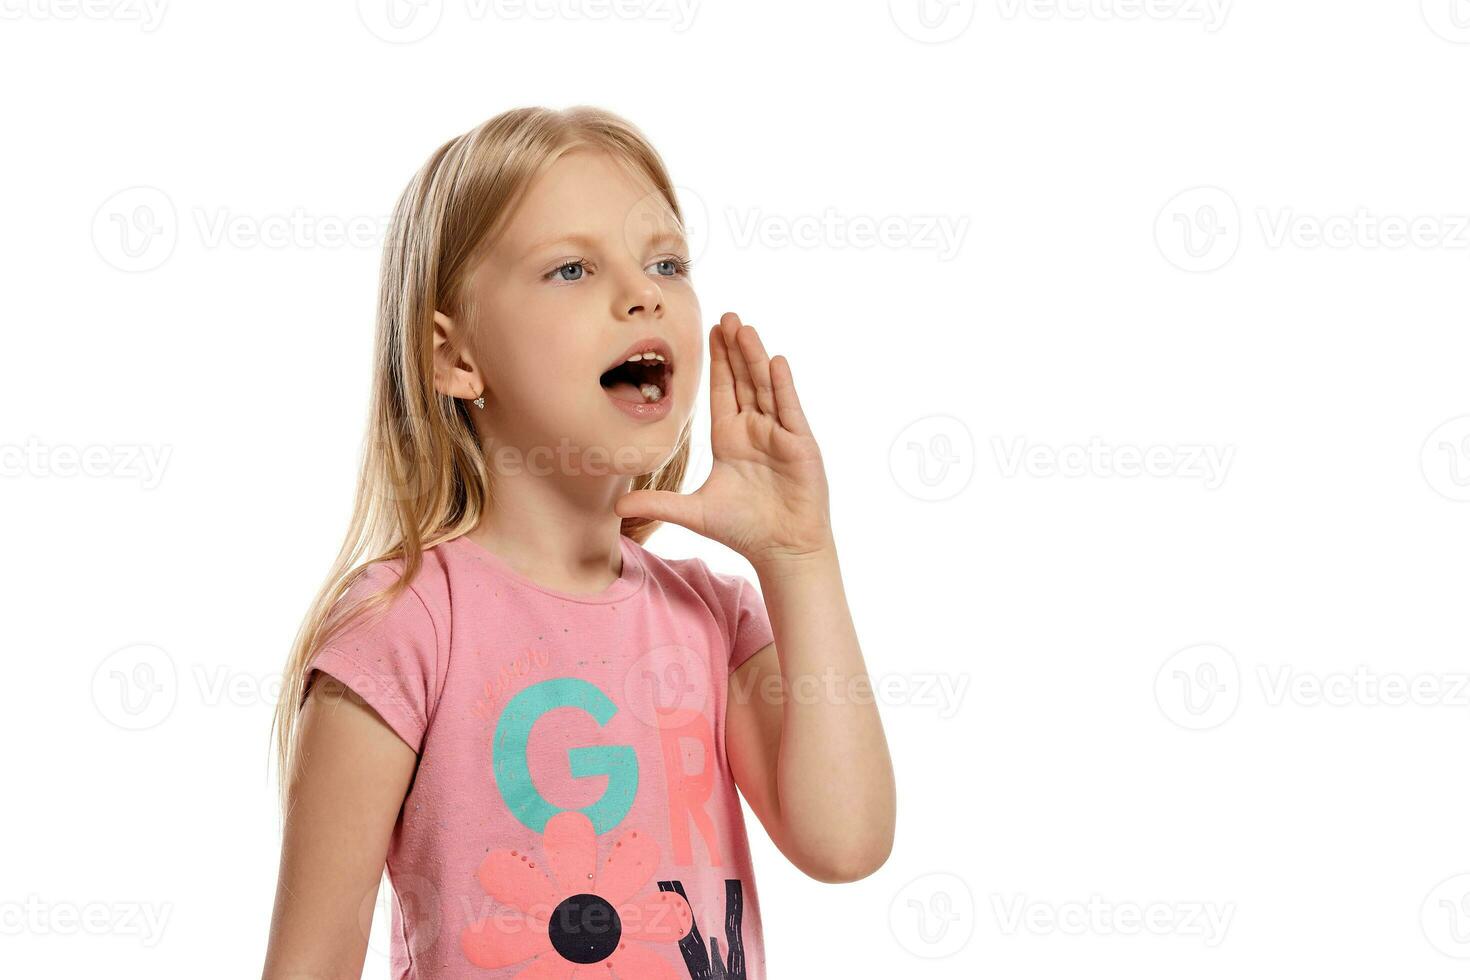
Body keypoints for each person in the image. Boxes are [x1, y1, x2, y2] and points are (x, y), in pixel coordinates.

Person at [262, 105, 895, 980]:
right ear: (454, 358)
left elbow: (847, 841)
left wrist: (800, 558)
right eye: (571, 268)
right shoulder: (405, 624)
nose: (644, 293)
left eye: (666, 262)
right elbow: (309, 965)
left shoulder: (712, 616)